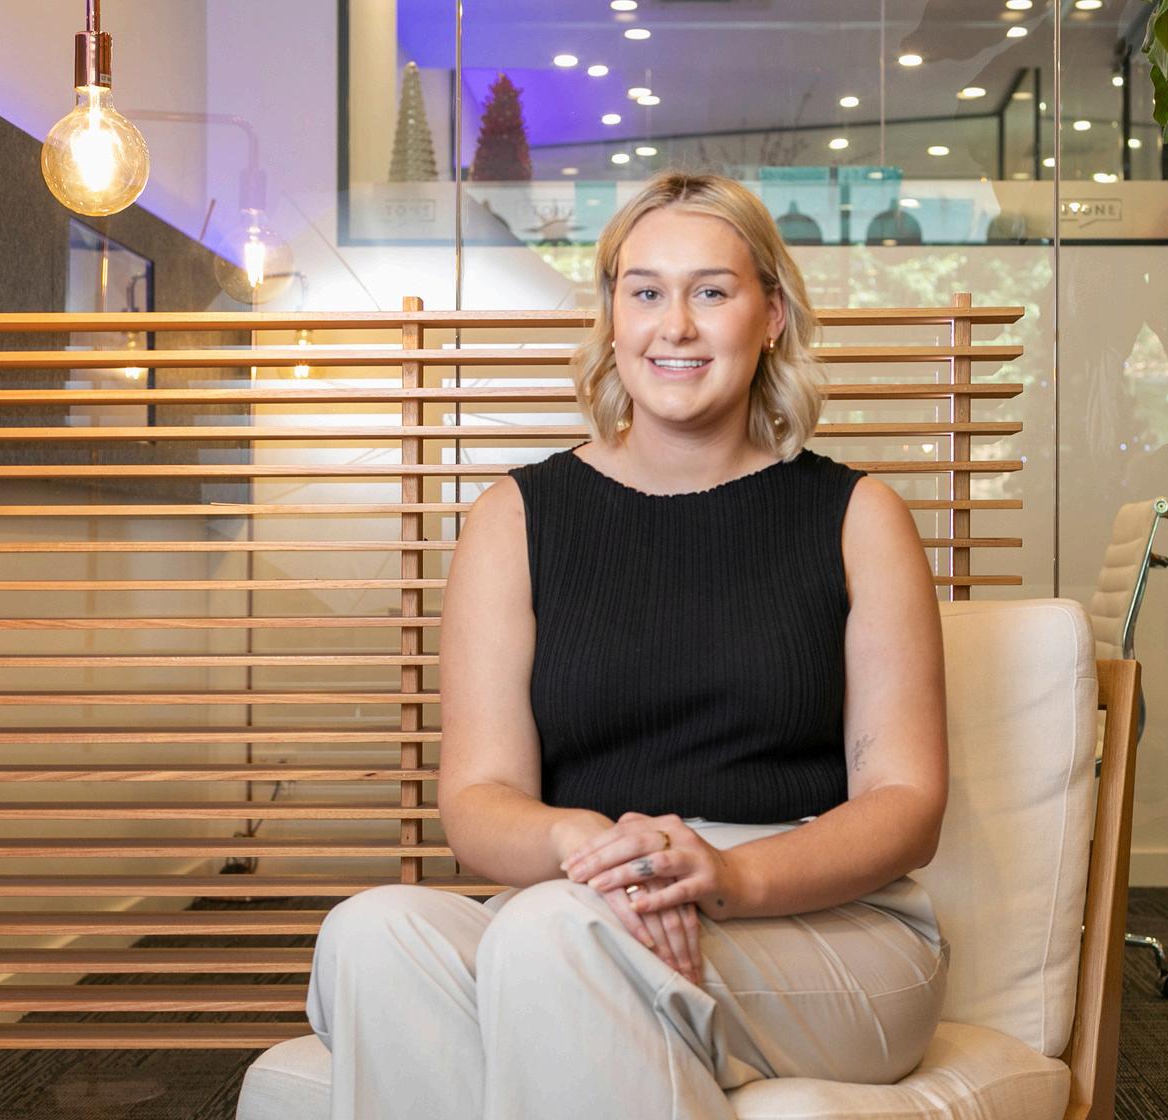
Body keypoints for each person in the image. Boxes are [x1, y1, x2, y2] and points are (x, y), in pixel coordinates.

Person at [306, 169, 950, 1120]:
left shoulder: (859, 516)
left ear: (771, 316)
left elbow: (907, 804)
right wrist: (590, 848)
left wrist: (729, 876)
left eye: (712, 292)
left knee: (554, 938)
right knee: (372, 934)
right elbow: (478, 798)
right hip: (587, 894)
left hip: (824, 921)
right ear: (613, 317)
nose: (674, 326)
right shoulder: (515, 519)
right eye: (645, 292)